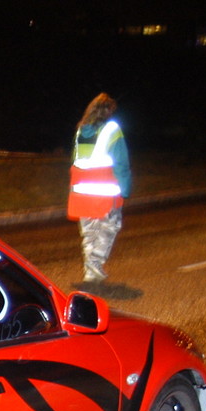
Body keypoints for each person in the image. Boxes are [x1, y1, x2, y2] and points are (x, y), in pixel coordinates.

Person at [67, 93, 131, 283]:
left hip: (82, 193)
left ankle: (90, 270)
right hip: (105, 193)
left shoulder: (81, 131)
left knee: (89, 233)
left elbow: (75, 159)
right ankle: (94, 265)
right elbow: (121, 163)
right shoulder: (112, 130)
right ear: (109, 111)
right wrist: (125, 188)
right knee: (109, 228)